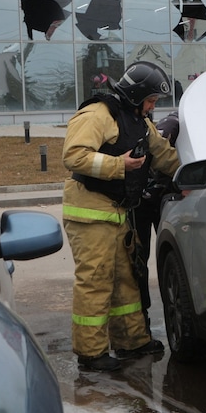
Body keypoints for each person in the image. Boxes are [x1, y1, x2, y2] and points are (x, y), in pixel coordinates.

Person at [62, 61, 179, 372]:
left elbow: (163, 153)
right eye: (151, 100)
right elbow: (73, 155)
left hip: (117, 212)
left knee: (127, 280)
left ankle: (131, 342)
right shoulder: (98, 115)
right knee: (96, 282)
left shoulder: (140, 120)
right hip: (89, 211)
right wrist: (119, 166)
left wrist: (193, 174)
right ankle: (91, 353)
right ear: (135, 95)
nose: (153, 107)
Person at [132, 111, 179, 333]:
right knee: (140, 260)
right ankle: (140, 319)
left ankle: (144, 319)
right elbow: (161, 155)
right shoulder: (174, 123)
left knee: (167, 260)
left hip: (160, 197)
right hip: (149, 198)